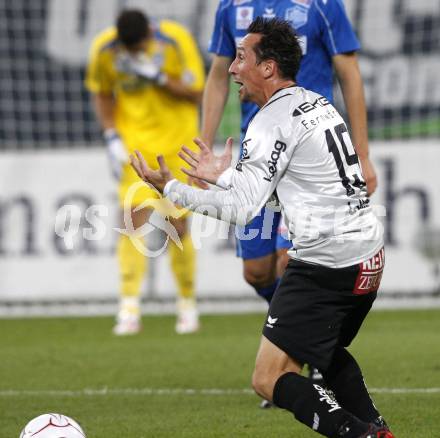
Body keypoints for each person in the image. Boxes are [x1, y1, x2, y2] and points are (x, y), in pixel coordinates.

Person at [130, 17, 394, 438]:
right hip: (367, 258)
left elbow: (241, 211)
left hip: (326, 266)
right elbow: (289, 190)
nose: (232, 69)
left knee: (268, 377)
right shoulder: (315, 102)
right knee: (322, 350)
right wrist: (226, 174)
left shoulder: (269, 121)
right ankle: (377, 427)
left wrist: (172, 189)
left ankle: (359, 434)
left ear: (268, 67)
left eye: (240, 58)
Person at [202, 0, 377, 315]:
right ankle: (295, 327)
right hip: (259, 154)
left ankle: (303, 346)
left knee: (291, 259)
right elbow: (218, 77)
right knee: (256, 270)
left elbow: (349, 75)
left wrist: (361, 154)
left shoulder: (322, 5)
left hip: (309, 153)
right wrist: (204, 143)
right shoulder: (230, 6)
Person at [85, 9, 205, 335]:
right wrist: (111, 135)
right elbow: (101, 91)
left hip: (176, 147)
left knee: (177, 224)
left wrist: (160, 77)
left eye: (138, 47)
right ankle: (128, 307)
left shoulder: (175, 40)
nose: (133, 54)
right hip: (135, 149)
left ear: (149, 35)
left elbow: (198, 92)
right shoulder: (105, 49)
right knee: (130, 222)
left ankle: (187, 303)